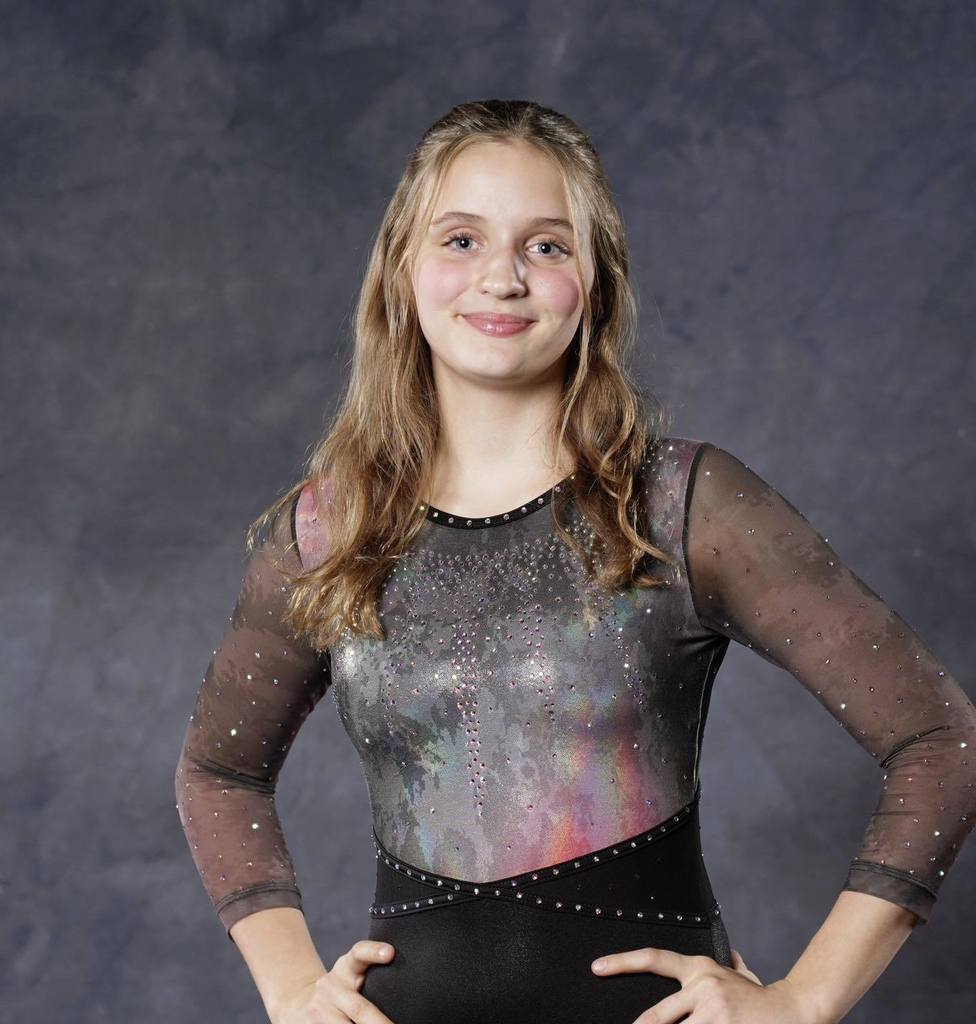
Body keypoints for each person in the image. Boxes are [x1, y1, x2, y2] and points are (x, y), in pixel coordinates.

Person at [174, 99, 976, 1024]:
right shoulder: (330, 530)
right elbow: (219, 771)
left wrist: (802, 1001)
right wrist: (287, 988)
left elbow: (942, 742)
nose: (502, 279)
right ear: (402, 268)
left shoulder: (678, 507)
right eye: (462, 239)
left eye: (547, 246)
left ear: (595, 282)